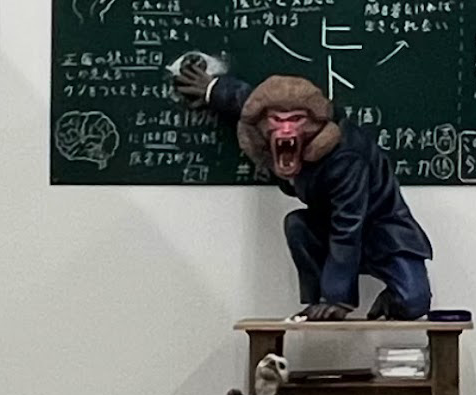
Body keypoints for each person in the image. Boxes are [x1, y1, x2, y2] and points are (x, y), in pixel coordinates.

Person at [174, 58, 433, 320]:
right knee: (297, 224)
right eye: (277, 120)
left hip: (382, 231)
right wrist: (213, 90)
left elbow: (347, 228)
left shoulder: (345, 156)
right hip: (328, 227)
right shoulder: (270, 127)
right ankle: (315, 300)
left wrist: (338, 298)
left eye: (296, 120)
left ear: (314, 124)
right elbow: (249, 101)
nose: (286, 130)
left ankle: (356, 298)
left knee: (414, 302)